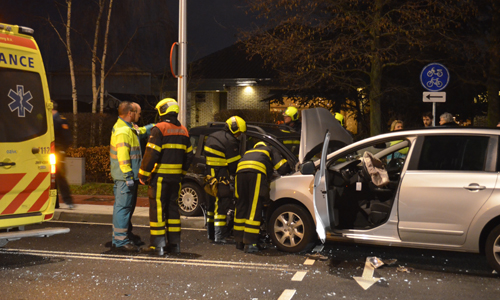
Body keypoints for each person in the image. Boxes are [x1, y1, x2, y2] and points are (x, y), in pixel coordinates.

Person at [138, 98, 193, 256]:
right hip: (176, 180)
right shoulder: (184, 130)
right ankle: (174, 245)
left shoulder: (159, 129)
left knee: (158, 210)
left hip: (160, 178)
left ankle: (158, 246)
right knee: (173, 210)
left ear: (163, 110)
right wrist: (181, 173)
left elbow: (151, 154)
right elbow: (189, 156)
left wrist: (143, 174)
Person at [110, 101, 154, 252]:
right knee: (123, 208)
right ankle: (120, 241)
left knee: (126, 208)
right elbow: (123, 157)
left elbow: (139, 131)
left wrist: (150, 128)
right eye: (138, 113)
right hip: (125, 178)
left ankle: (124, 235)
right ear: (130, 113)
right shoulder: (123, 132)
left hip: (127, 177)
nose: (140, 115)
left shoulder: (127, 128)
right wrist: (128, 175)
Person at [234, 141, 290, 253]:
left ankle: (239, 241)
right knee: (254, 207)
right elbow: (282, 167)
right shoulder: (269, 149)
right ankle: (251, 244)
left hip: (239, 174)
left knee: (241, 206)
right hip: (256, 173)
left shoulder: (248, 152)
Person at [204, 116, 246, 243]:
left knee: (210, 207)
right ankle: (220, 236)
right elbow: (234, 165)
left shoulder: (213, 136)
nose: (238, 135)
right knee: (220, 208)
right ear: (234, 129)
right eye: (238, 132)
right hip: (221, 177)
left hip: (208, 177)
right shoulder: (230, 141)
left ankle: (210, 234)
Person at [52, 101, 74, 209]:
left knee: (60, 177)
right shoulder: (51, 120)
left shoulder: (60, 120)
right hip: (52, 153)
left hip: (58, 153)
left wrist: (62, 151)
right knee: (53, 178)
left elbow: (67, 138)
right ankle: (54, 203)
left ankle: (68, 201)